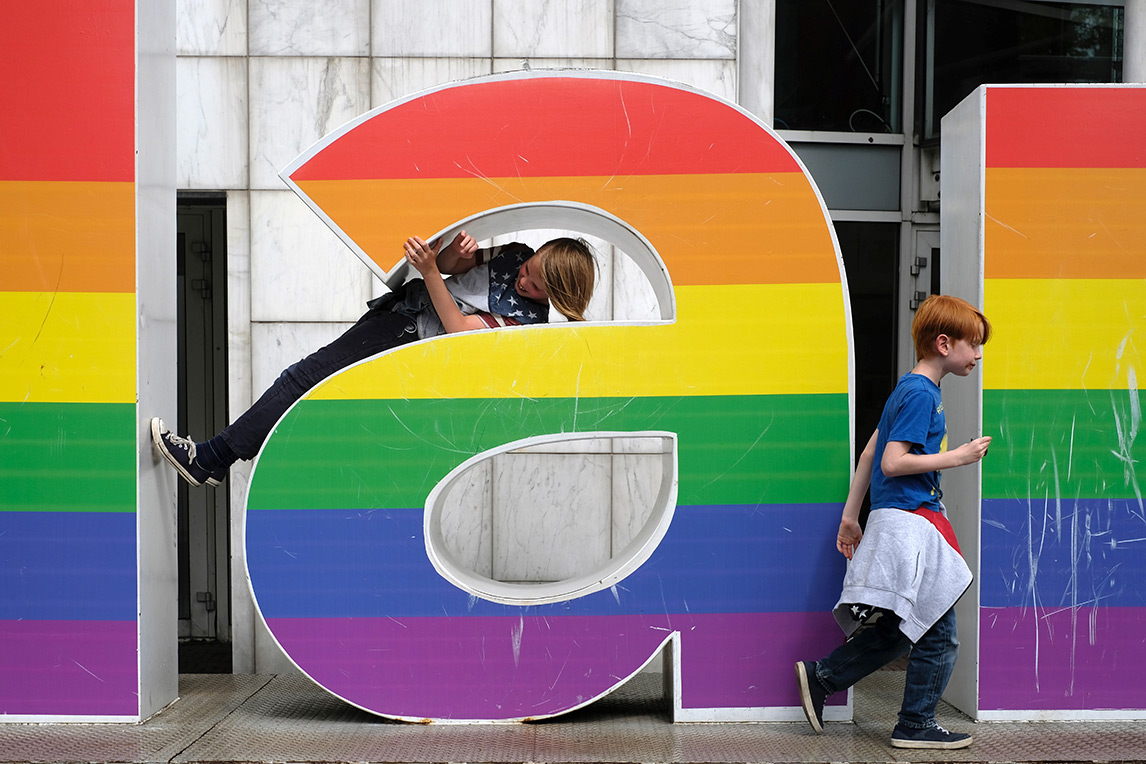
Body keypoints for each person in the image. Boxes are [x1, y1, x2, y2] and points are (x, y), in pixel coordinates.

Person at [150, 230, 596, 486]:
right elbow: (453, 267)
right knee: (305, 382)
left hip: (409, 339)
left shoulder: (527, 324)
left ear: (554, 297)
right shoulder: (516, 255)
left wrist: (429, 270)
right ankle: (217, 457)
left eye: (535, 285)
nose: (523, 279)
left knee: (302, 379)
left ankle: (213, 457)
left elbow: (461, 332)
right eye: (527, 270)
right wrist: (451, 257)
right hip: (398, 315)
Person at [794, 294, 992, 750]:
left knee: (910, 624)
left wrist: (850, 518)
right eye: (973, 344)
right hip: (911, 521)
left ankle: (824, 677)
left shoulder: (910, 388)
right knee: (938, 632)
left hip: (901, 520)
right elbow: (892, 462)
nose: (978, 354)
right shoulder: (922, 393)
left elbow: (870, 453)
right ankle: (915, 724)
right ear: (944, 343)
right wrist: (958, 457)